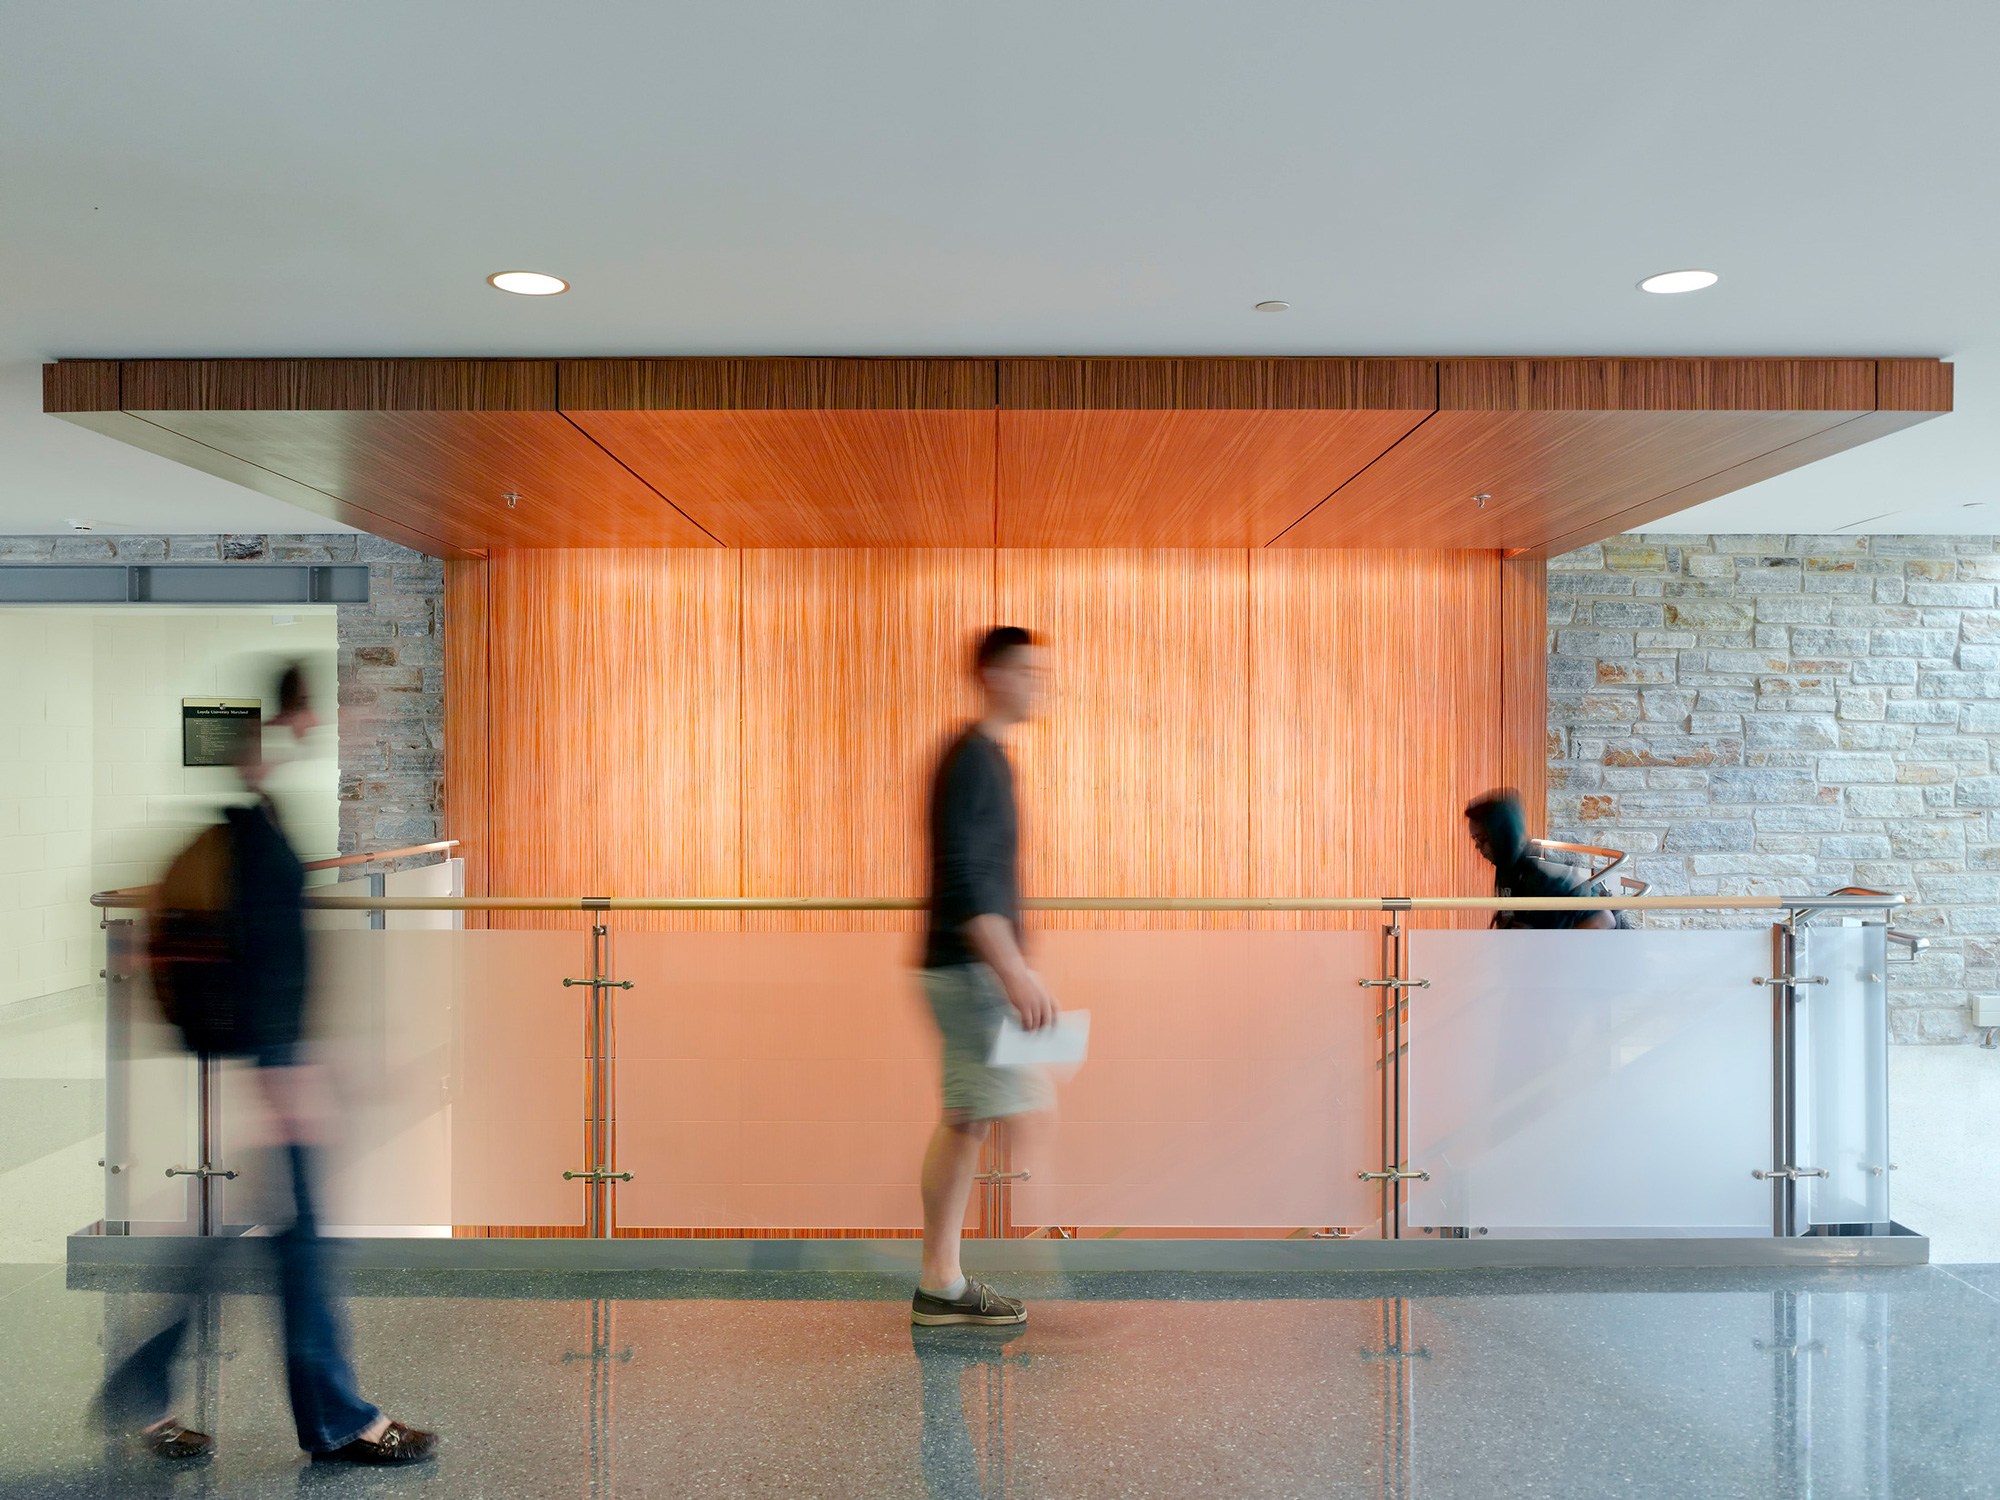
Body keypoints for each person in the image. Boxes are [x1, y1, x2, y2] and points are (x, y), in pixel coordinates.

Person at [97, 664, 437, 1466]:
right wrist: (284, 1070)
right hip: (282, 1062)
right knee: (297, 1242)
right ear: (303, 712)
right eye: (347, 707)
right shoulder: (262, 806)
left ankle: (145, 1390)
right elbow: (264, 944)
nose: (358, 722)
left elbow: (277, 941)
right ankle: (336, 1420)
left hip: (289, 1057)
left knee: (259, 1238)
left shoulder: (270, 802)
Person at [911, 627, 1057, 1328]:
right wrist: (1013, 972)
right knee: (1022, 1107)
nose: (1038, 685)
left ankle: (941, 1279)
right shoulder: (973, 758)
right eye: (1027, 672)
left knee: (971, 1117)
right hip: (972, 970)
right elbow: (968, 877)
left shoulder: (986, 758)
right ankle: (954, 1277)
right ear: (993, 675)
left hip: (970, 966)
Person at [1464, 788, 1615, 930]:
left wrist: (1546, 941)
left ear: (1503, 836)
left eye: (1482, 838)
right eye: (1474, 839)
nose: (1477, 846)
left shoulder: (1545, 876)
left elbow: (1604, 919)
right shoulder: (1509, 870)